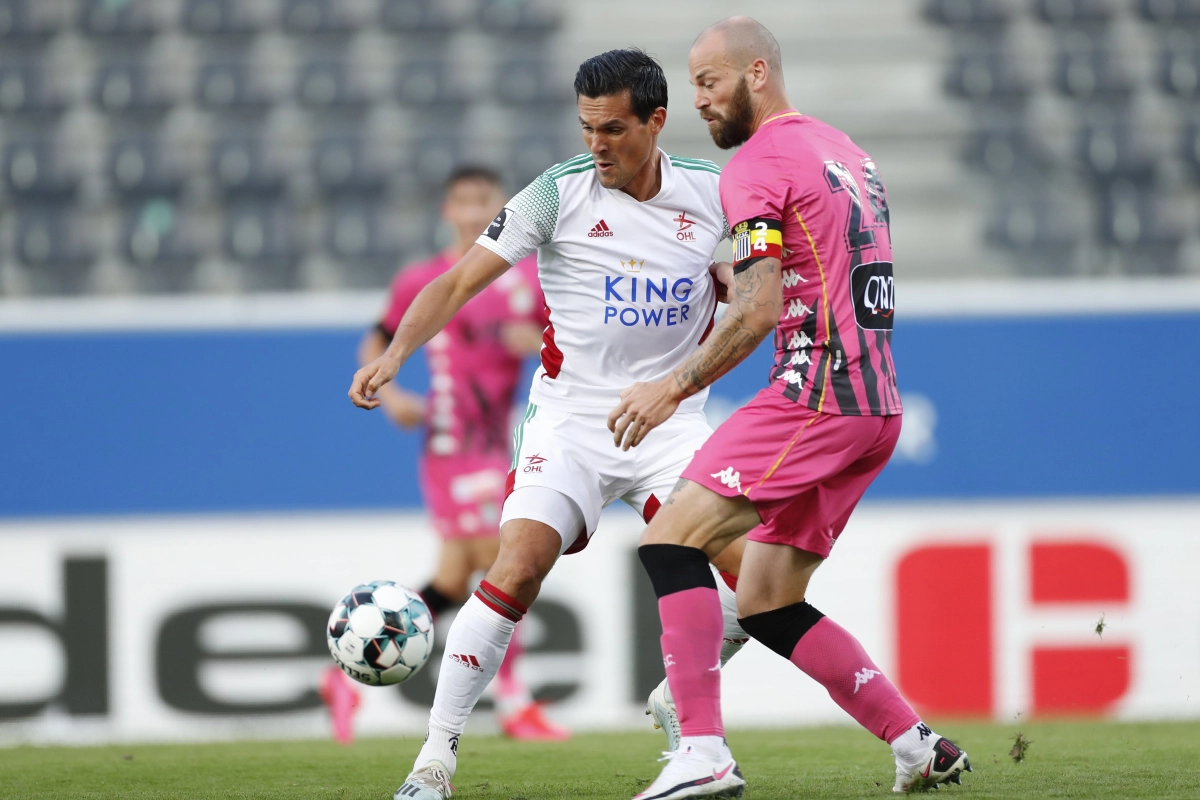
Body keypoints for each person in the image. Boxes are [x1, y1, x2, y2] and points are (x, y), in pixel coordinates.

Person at [349, 49, 750, 800]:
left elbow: (766, 273)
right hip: (570, 423)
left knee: (761, 582)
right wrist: (398, 352)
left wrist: (732, 276)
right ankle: (433, 763)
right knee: (517, 567)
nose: (596, 144)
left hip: (669, 424)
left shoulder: (714, 193)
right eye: (586, 127)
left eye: (614, 129)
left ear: (656, 122)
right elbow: (460, 279)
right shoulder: (555, 194)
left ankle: (681, 708)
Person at [610, 18, 970, 799]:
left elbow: (758, 308)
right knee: (769, 599)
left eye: (709, 81)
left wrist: (669, 387)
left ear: (758, 73)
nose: (697, 99)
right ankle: (916, 743)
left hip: (815, 394)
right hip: (877, 405)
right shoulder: (846, 152)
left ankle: (701, 751)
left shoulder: (758, 164)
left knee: (670, 540)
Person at [325, 165, 566, 743]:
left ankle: (338, 679)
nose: (473, 212)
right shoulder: (423, 279)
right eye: (462, 202)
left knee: (457, 578)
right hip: (447, 444)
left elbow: (564, 335)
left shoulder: (524, 280)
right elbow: (378, 338)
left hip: (497, 442)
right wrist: (393, 398)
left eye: (484, 200)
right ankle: (513, 702)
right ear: (446, 212)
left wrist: (532, 341)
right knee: (502, 556)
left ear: (502, 207)